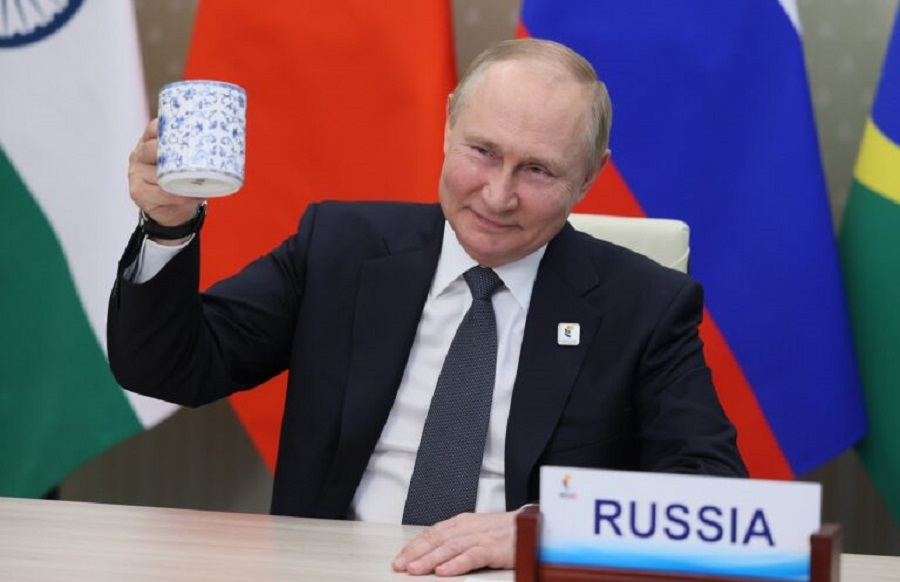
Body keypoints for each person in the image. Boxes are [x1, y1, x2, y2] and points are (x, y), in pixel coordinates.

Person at [111, 38, 747, 576]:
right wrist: (169, 229)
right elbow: (170, 368)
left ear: (589, 177)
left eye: (538, 172)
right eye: (482, 152)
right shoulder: (340, 248)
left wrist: (546, 528)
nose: (498, 196)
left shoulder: (645, 306)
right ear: (448, 127)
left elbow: (713, 499)